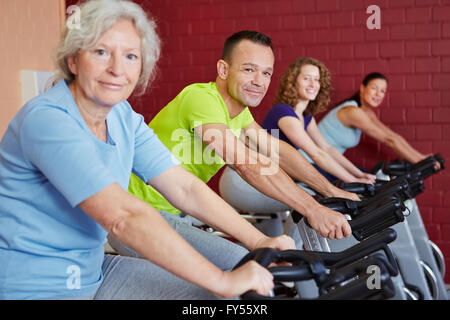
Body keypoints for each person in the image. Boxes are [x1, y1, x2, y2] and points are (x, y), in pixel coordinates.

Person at [0, 0, 294, 300]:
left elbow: (184, 187)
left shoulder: (122, 116)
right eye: (101, 52)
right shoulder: (48, 119)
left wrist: (258, 241)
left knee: (214, 299)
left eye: (130, 56)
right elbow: (122, 217)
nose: (117, 69)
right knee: (221, 290)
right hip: (34, 287)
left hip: (94, 271)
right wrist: (223, 281)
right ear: (73, 60)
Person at [124, 30, 356, 247]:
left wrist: (331, 191)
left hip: (177, 210)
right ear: (224, 70)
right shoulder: (201, 98)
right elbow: (247, 164)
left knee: (249, 263)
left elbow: (277, 151)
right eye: (249, 69)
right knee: (239, 263)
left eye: (266, 73)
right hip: (141, 212)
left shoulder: (241, 114)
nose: (259, 81)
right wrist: (313, 209)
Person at [261, 57, 376, 184]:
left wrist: (360, 174)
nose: (313, 84)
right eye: (306, 78)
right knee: (337, 182)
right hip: (268, 176)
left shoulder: (306, 116)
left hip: (286, 173)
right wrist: (353, 180)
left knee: (355, 176)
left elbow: (326, 148)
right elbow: (316, 153)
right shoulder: (283, 112)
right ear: (293, 82)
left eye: (316, 79)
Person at [318, 72, 436, 167]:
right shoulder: (353, 111)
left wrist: (421, 157)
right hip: (314, 162)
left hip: (327, 163)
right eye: (374, 88)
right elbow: (388, 140)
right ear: (362, 88)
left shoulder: (367, 113)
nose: (378, 94)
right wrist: (418, 162)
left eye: (382, 91)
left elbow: (392, 135)